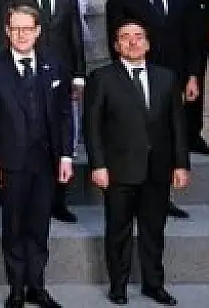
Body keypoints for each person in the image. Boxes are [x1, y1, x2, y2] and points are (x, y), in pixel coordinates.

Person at [85, 21, 190, 307]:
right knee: (118, 232)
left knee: (153, 231)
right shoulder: (102, 78)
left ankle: (153, 285)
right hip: (118, 169)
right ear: (116, 45)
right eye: (125, 37)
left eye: (138, 36)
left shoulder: (166, 77)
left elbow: (177, 124)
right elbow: (92, 127)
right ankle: (118, 286)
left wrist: (181, 164)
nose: (132, 42)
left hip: (157, 169)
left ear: (148, 43)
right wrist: (98, 165)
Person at [0, 6, 73, 308]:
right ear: (7, 31)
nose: (22, 35)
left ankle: (37, 286)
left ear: (37, 31)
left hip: (46, 162)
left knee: (39, 226)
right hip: (10, 163)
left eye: (27, 29)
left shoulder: (54, 65)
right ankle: (17, 288)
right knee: (14, 226)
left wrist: (66, 156)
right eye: (16, 29)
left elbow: (64, 115)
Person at [104, 0, 200, 219]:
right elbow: (115, 40)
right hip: (135, 77)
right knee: (137, 134)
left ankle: (162, 197)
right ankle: (134, 195)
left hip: (173, 78)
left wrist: (193, 76)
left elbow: (193, 37)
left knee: (167, 134)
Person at [0, 0, 87, 223]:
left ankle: (58, 201)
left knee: (59, 135)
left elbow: (75, 35)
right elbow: (3, 35)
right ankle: (25, 200)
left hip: (57, 76)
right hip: (22, 73)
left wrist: (79, 76)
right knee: (25, 133)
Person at [158, 0, 209, 154]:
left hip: (202, 25)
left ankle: (193, 133)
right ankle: (172, 135)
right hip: (175, 27)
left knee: (197, 78)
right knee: (174, 79)